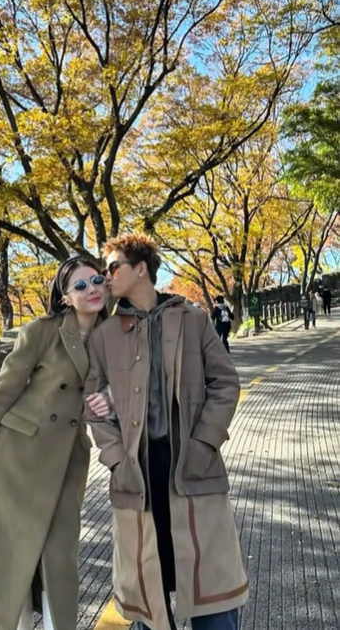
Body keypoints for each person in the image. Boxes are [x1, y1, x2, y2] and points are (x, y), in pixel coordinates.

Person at [85, 235, 248, 630]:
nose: (106, 277)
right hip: (138, 476)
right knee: (148, 598)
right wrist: (116, 459)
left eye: (113, 267)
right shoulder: (105, 336)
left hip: (192, 468)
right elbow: (93, 403)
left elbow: (225, 383)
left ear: (141, 268)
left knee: (213, 595)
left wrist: (204, 442)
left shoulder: (193, 319)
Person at [0, 257, 108, 630]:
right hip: (15, 461)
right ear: (65, 297)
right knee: (12, 558)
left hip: (68, 462)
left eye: (97, 280)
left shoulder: (113, 338)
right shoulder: (41, 332)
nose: (92, 289)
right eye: (80, 286)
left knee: (58, 556)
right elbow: (1, 395)